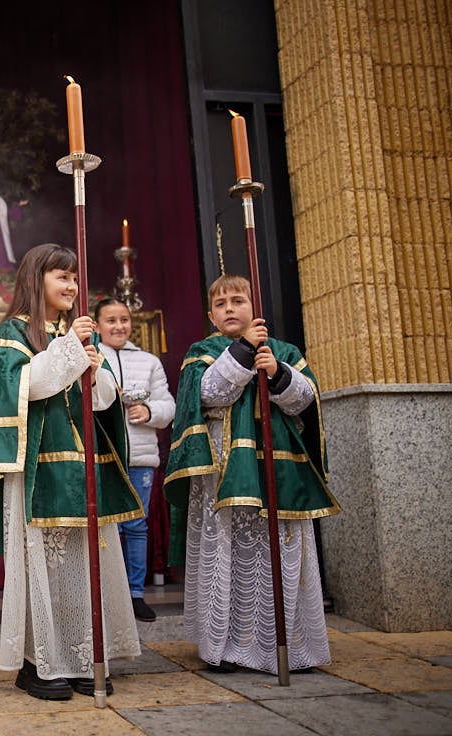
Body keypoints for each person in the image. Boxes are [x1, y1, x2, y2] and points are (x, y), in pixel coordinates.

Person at [0, 243, 142, 701]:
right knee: (40, 567)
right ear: (34, 279)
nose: (70, 285)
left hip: (80, 464)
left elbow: (102, 401)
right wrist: (71, 349)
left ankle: (83, 655)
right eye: (60, 276)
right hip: (38, 467)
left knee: (84, 565)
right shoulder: (12, 332)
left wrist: (95, 365)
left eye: (73, 277)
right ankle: (38, 663)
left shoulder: (75, 336)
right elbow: (27, 385)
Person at [165, 274, 338, 673]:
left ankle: (291, 646)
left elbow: (305, 403)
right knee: (226, 553)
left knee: (283, 554)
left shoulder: (284, 351)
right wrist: (243, 353)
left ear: (254, 308)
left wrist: (277, 372)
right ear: (211, 314)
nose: (230, 309)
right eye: (221, 304)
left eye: (238, 301)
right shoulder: (203, 351)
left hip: (278, 467)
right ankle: (223, 648)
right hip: (224, 470)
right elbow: (209, 394)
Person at [93, 297, 176, 623]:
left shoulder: (149, 361)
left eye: (124, 320)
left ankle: (135, 594)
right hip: (102, 459)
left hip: (140, 458)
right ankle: (104, 594)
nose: (118, 326)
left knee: (137, 526)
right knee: (103, 526)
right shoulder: (90, 357)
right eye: (110, 320)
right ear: (97, 324)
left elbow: (168, 406)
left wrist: (150, 411)